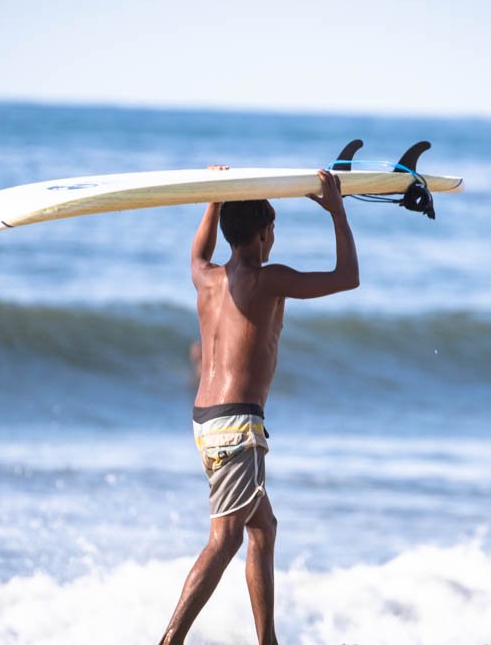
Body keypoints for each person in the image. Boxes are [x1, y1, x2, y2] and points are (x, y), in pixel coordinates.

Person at [160, 169, 359, 644]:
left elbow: (197, 253)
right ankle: (170, 640)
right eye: (273, 230)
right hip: (236, 425)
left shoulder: (206, 278)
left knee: (263, 527)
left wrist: (213, 199)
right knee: (226, 537)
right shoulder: (268, 279)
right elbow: (347, 277)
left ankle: (267, 639)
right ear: (265, 233)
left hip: (206, 423)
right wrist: (337, 212)